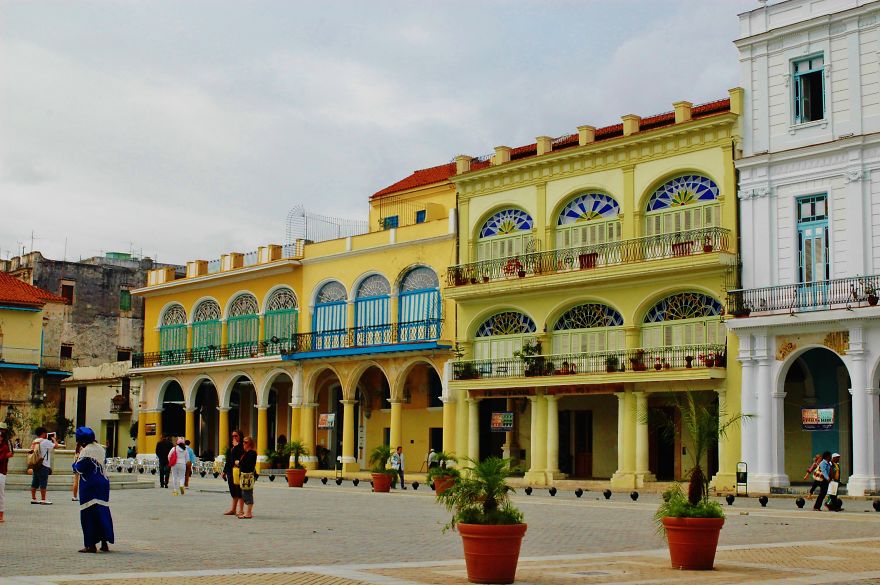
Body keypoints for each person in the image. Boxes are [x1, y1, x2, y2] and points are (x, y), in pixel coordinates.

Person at [72, 427, 114, 553]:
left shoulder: (86, 451)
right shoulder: (100, 449)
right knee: (102, 511)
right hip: (103, 484)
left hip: (89, 485)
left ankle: (90, 545)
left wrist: (74, 462)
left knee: (88, 513)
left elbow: (79, 468)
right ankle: (104, 542)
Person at [29, 427, 58, 505]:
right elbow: (56, 446)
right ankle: (43, 499)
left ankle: (33, 498)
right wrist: (54, 439)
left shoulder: (34, 441)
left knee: (35, 481)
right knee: (43, 482)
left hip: (35, 464)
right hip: (43, 464)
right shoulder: (45, 441)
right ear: (43, 433)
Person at [221, 429, 244, 516]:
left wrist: (236, 447)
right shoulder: (231, 448)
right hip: (231, 471)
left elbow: (238, 458)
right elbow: (228, 461)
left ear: (240, 437)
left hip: (239, 471)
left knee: (239, 490)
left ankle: (241, 510)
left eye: (236, 436)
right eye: (233, 436)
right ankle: (233, 509)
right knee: (233, 491)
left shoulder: (242, 447)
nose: (234, 437)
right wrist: (224, 471)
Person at [237, 436, 257, 519]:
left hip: (248, 476)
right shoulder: (246, 453)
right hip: (244, 475)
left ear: (250, 444)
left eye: (246, 442)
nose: (243, 444)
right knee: (244, 493)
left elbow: (247, 464)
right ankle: (247, 512)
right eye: (243, 442)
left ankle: (249, 513)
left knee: (248, 493)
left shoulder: (252, 453)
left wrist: (239, 462)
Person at [0, 422, 13, 523]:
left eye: (2, 430)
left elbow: (11, 453)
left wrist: (4, 456)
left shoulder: (7, 442)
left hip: (1, 470)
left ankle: (1, 515)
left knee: (1, 493)